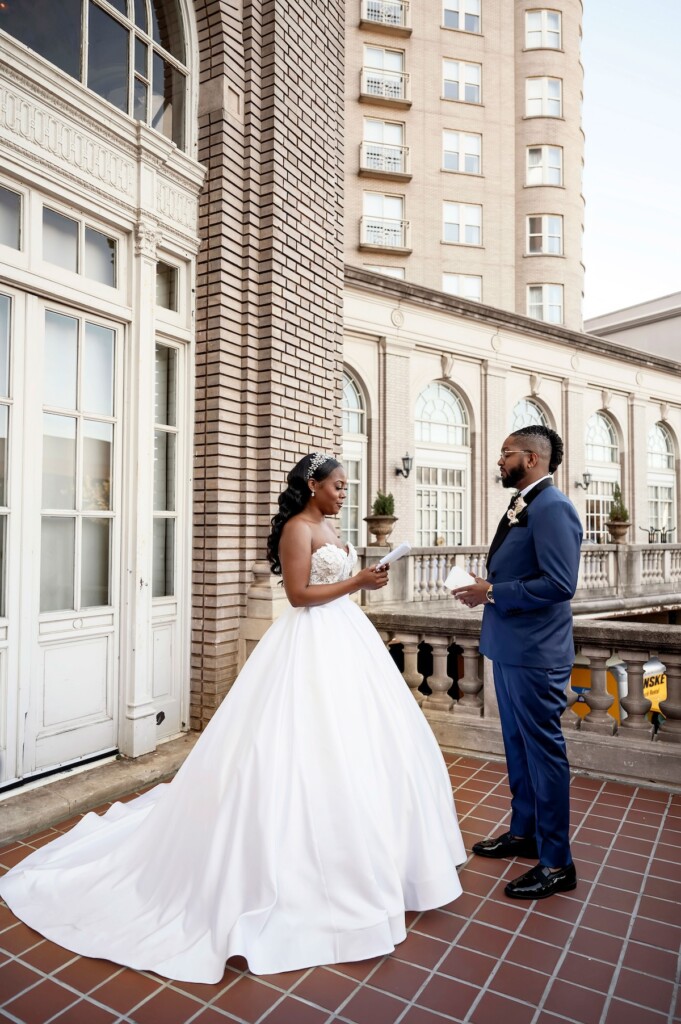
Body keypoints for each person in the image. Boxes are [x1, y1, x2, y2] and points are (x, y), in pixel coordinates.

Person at [0, 452, 465, 982]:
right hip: (309, 643)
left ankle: (378, 861)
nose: (343, 491)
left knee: (361, 749)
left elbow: (333, 585)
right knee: (293, 749)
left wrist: (365, 582)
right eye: (337, 485)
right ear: (312, 485)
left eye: (344, 485)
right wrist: (356, 583)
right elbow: (298, 596)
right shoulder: (296, 528)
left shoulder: (330, 524)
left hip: (347, 641)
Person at [453, 426, 582, 900]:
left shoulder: (553, 507)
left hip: (535, 655)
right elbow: (522, 572)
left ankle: (556, 862)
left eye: (506, 453)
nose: (500, 460)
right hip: (509, 647)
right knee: (518, 748)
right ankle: (524, 833)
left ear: (531, 458)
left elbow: (560, 584)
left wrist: (495, 592)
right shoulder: (524, 503)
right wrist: (486, 586)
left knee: (544, 754)